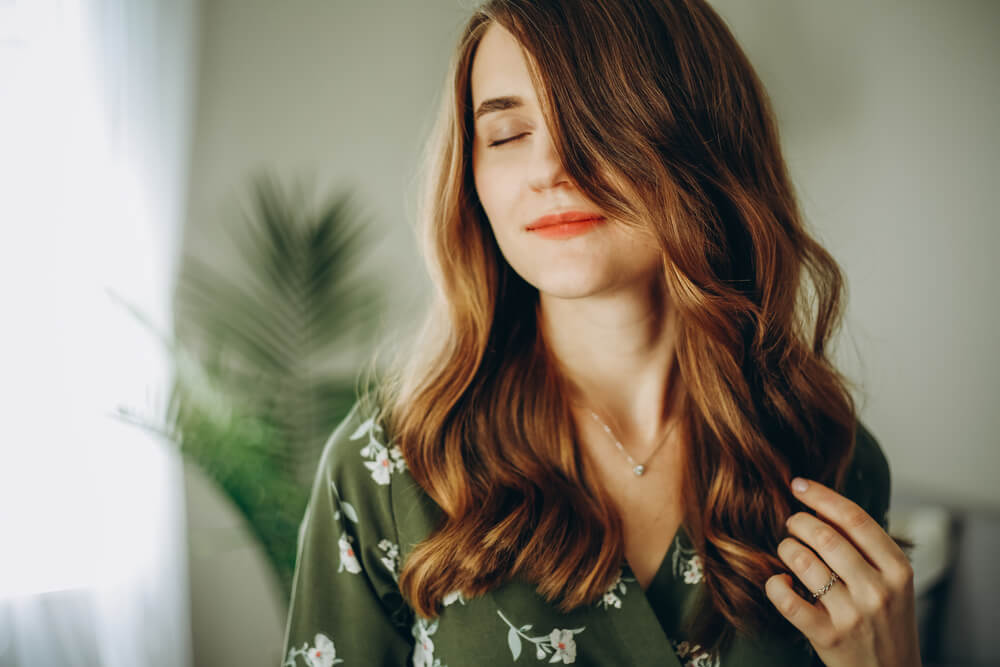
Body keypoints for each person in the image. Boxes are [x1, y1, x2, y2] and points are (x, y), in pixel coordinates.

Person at [281, 1, 921, 665]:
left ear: (701, 137)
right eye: (505, 135)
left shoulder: (827, 459)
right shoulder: (391, 463)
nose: (550, 168)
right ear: (472, 177)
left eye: (594, 119)